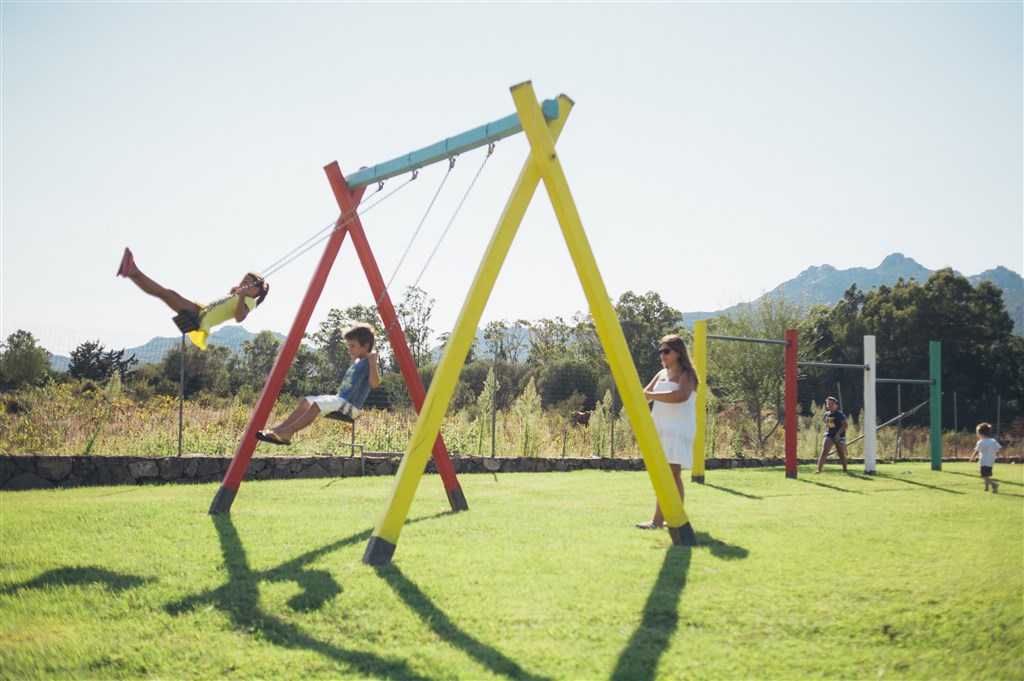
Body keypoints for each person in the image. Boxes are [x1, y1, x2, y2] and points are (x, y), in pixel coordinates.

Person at [117, 247, 268, 350]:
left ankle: (133, 271)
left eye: (247, 282)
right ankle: (131, 272)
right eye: (243, 280)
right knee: (166, 294)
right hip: (201, 311)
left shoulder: (249, 301)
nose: (242, 283)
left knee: (167, 294)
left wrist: (241, 296)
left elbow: (240, 318)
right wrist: (238, 293)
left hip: (201, 318)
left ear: (255, 290)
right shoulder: (240, 295)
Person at [256, 323, 380, 446]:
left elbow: (374, 384)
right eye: (348, 345)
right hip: (339, 400)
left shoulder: (369, 362)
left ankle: (288, 433)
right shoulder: (359, 361)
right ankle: (278, 430)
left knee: (316, 405)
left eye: (352, 345)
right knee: (305, 401)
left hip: (349, 406)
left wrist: (373, 362)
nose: (349, 349)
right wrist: (355, 360)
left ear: (365, 346)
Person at [636, 334, 699, 530]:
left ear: (678, 352)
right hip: (660, 428)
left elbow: (681, 395)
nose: (662, 355)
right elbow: (644, 396)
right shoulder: (660, 374)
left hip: (678, 428)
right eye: (660, 351)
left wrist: (652, 395)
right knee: (671, 474)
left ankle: (659, 521)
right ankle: (674, 519)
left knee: (670, 473)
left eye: (666, 351)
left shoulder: (686, 375)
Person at [814, 396, 849, 474]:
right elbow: (828, 424)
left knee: (841, 454)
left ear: (836, 405)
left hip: (840, 436)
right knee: (824, 452)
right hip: (829, 436)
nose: (830, 405)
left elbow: (845, 425)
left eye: (832, 404)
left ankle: (845, 470)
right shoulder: (826, 414)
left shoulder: (839, 414)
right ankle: (819, 470)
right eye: (828, 404)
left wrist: (838, 433)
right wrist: (826, 431)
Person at [968, 422, 1001, 493]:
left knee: (984, 476)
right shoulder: (993, 441)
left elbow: (976, 451)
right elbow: (998, 448)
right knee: (987, 475)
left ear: (980, 433)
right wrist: (998, 455)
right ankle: (986, 488)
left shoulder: (981, 442)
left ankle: (994, 484)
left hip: (984, 462)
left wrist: (972, 457)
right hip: (991, 461)